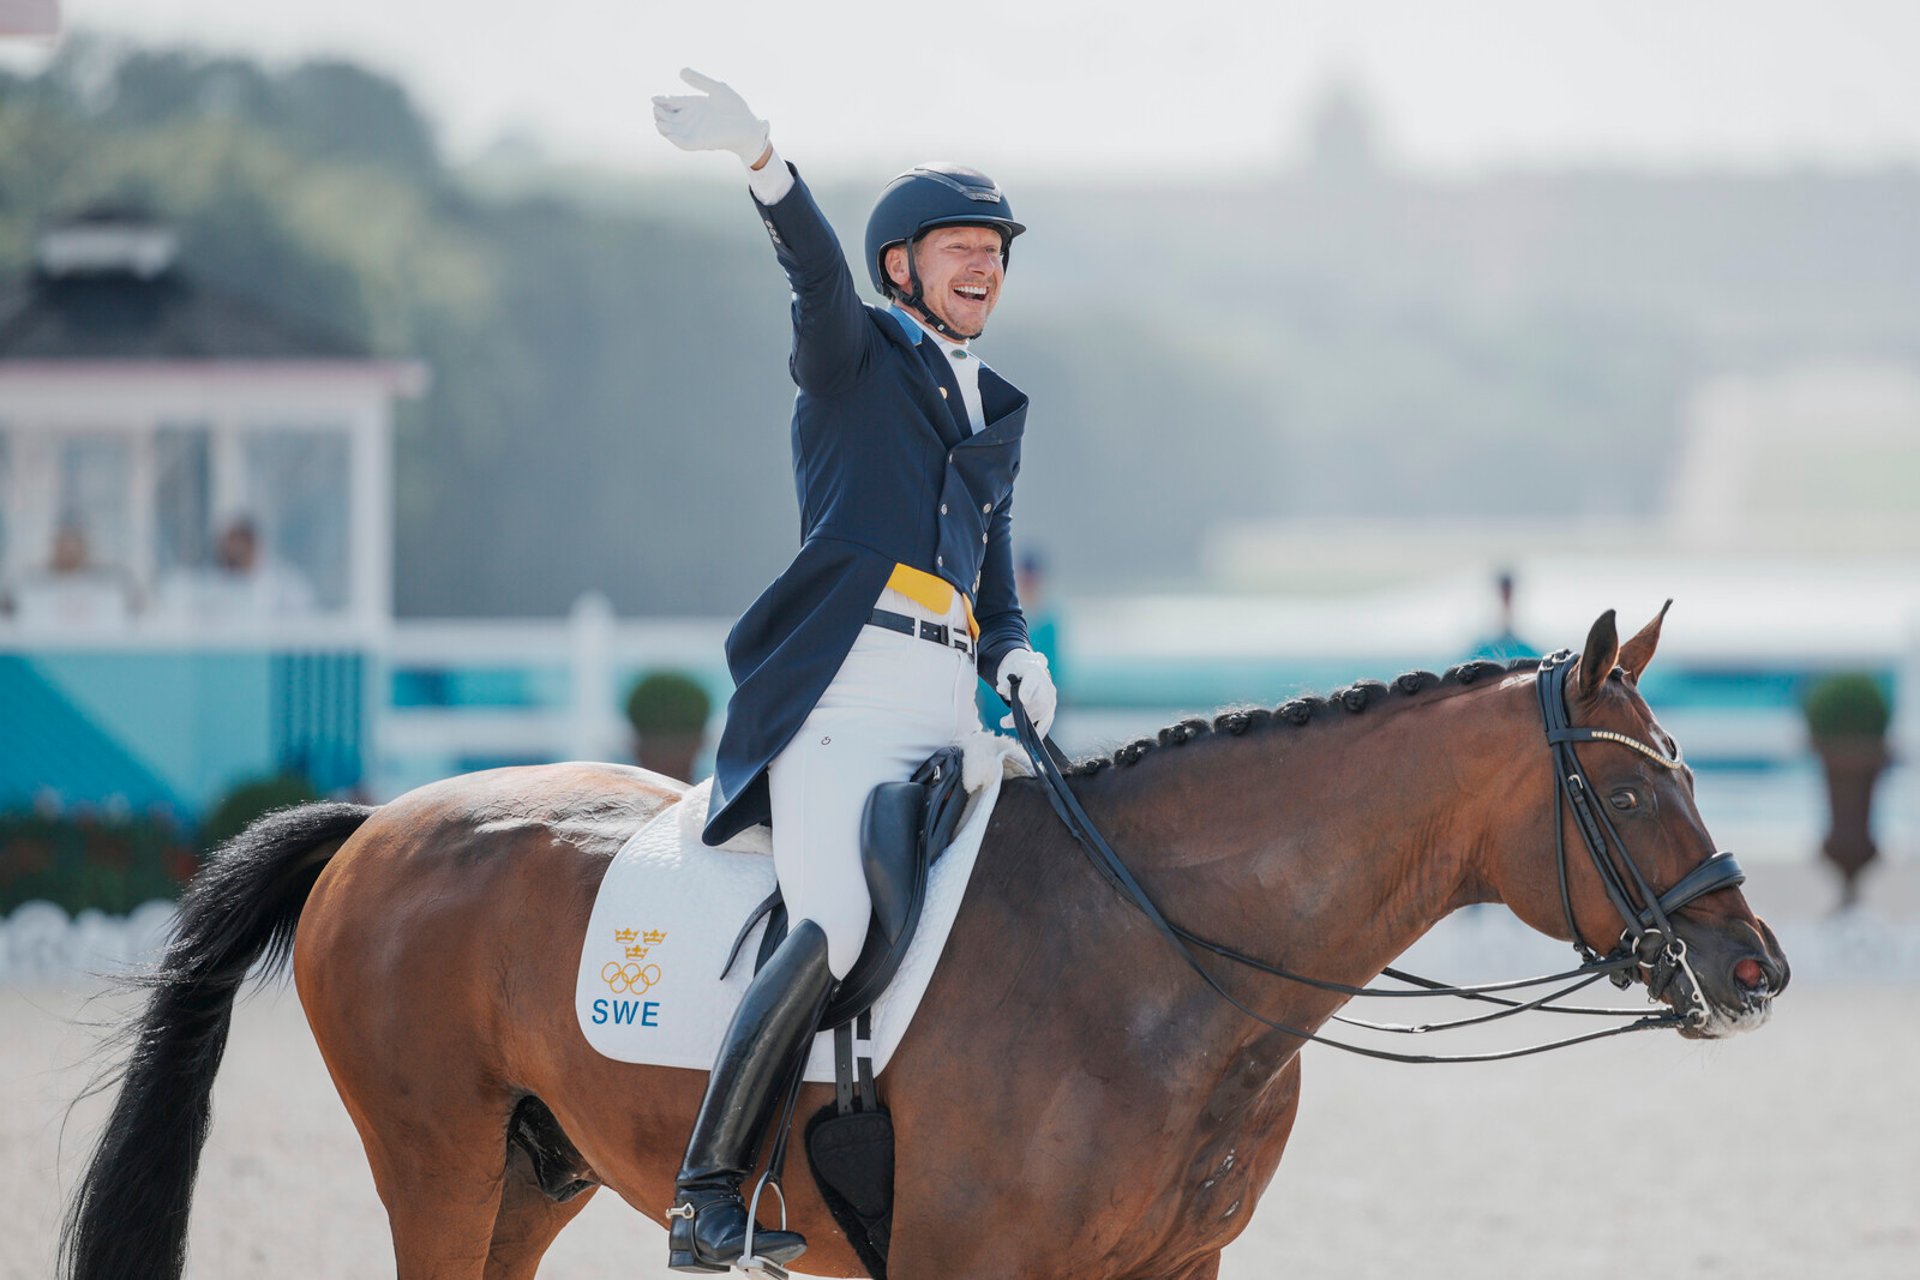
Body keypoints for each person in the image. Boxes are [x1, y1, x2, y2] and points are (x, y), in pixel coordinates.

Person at [652, 69, 1057, 1272]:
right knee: (834, 913)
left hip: (946, 700)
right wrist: (767, 164)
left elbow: (985, 571)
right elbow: (812, 278)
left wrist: (1017, 648)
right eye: (959, 249)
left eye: (994, 250)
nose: (982, 266)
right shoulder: (854, 355)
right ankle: (706, 1188)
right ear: (901, 266)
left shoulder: (990, 400)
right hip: (844, 694)